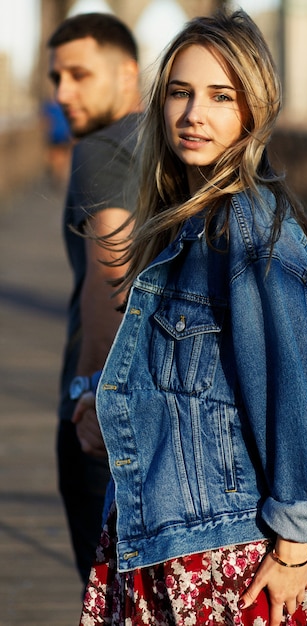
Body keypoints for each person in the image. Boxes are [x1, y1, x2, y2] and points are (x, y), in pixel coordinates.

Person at [79, 10, 307, 625]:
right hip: (166, 534)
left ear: (254, 112)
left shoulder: (247, 226)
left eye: (221, 97)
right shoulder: (191, 221)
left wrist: (295, 545)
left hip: (229, 556)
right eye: (180, 92)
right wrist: (101, 402)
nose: (194, 114)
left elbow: (296, 386)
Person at [47, 12, 142, 586]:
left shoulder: (100, 151)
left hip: (102, 411)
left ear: (127, 72)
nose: (62, 93)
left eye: (79, 75)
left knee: (110, 596)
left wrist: (89, 396)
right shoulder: (184, 147)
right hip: (178, 411)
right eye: (57, 78)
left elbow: (112, 273)